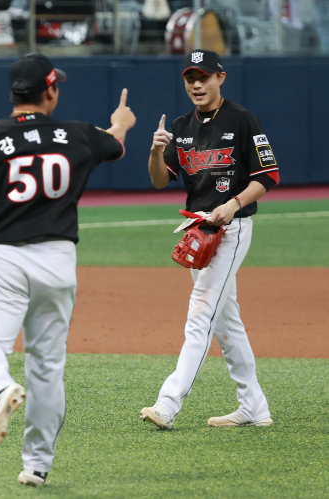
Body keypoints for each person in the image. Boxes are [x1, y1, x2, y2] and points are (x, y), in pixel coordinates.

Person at [0, 53, 136, 486]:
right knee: (47, 365)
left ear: (14, 94)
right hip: (59, 260)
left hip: (2, 259)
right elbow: (114, 144)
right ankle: (37, 465)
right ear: (50, 91)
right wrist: (121, 121)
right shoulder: (78, 135)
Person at [140, 49, 280, 429]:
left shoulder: (243, 119)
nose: (197, 84)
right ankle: (254, 407)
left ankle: (167, 404)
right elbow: (158, 179)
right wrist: (155, 151)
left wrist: (233, 204)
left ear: (221, 77)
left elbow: (268, 175)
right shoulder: (183, 126)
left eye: (204, 77)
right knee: (224, 322)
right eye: (190, 78)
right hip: (198, 231)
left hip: (231, 229)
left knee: (200, 312)